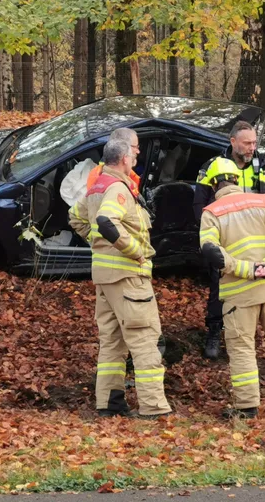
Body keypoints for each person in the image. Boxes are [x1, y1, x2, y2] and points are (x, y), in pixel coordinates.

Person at [68, 139, 172, 419]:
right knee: (144, 338)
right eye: (135, 153)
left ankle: (110, 403)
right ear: (124, 158)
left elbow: (75, 217)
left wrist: (95, 242)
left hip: (104, 278)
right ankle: (153, 407)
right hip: (128, 276)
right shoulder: (117, 188)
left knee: (112, 341)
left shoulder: (97, 187)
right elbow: (105, 221)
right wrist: (134, 250)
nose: (136, 157)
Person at [199, 157, 265, 419]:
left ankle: (247, 407)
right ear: (237, 179)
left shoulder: (211, 213)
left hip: (240, 294)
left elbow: (210, 251)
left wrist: (244, 270)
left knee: (242, 347)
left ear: (214, 184)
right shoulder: (263, 201)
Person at [194, 121, 265, 359]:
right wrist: (209, 238)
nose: (252, 147)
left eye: (254, 142)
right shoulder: (213, 166)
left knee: (256, 286)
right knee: (218, 288)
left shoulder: (262, 167)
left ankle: (246, 335)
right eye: (247, 143)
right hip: (225, 239)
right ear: (233, 142)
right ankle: (214, 332)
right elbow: (199, 203)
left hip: (256, 240)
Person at [86, 128, 142, 198]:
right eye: (135, 147)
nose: (138, 151)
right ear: (123, 148)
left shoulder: (123, 170)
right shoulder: (100, 181)